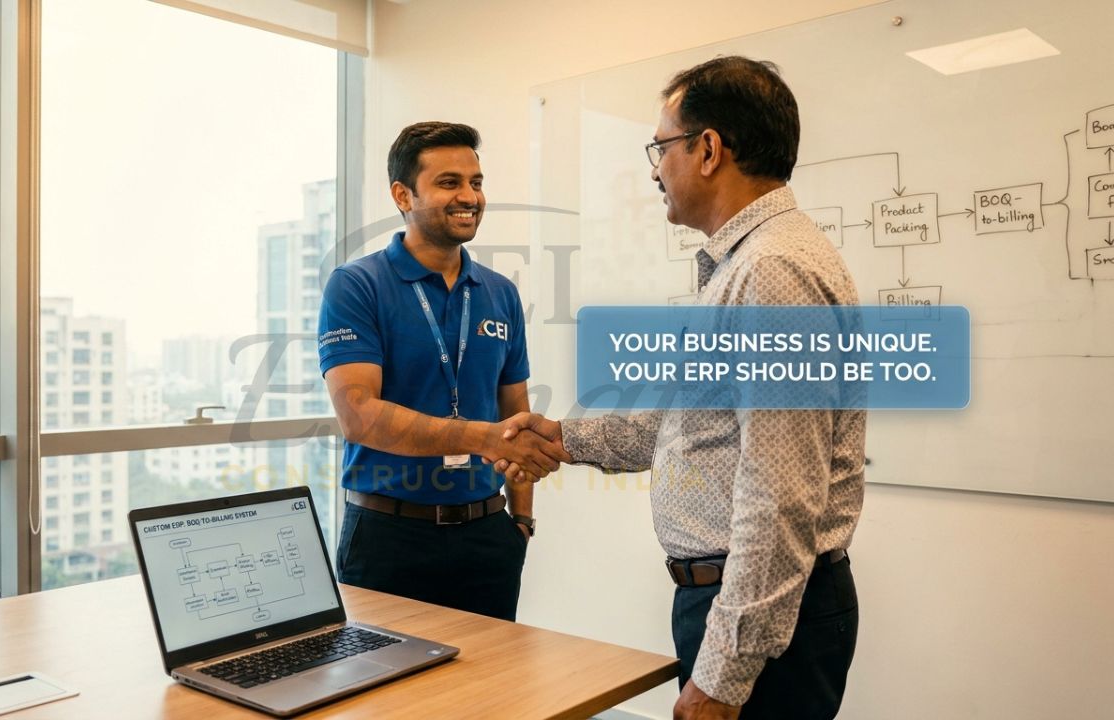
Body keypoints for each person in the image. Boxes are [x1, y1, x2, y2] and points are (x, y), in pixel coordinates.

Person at [498, 57, 865, 719]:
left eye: (660, 146)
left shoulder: (771, 270)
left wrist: (723, 678)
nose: (653, 166)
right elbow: (689, 423)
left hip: (753, 616)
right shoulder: (748, 263)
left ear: (708, 149)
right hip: (741, 603)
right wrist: (563, 438)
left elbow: (780, 494)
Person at [318, 121, 564, 621]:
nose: (470, 196)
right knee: (390, 696)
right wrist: (481, 438)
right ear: (402, 194)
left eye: (476, 182)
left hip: (488, 534)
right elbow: (359, 416)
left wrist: (521, 521)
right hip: (389, 537)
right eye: (449, 183)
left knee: (491, 694)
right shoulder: (356, 285)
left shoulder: (499, 292)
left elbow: (516, 416)